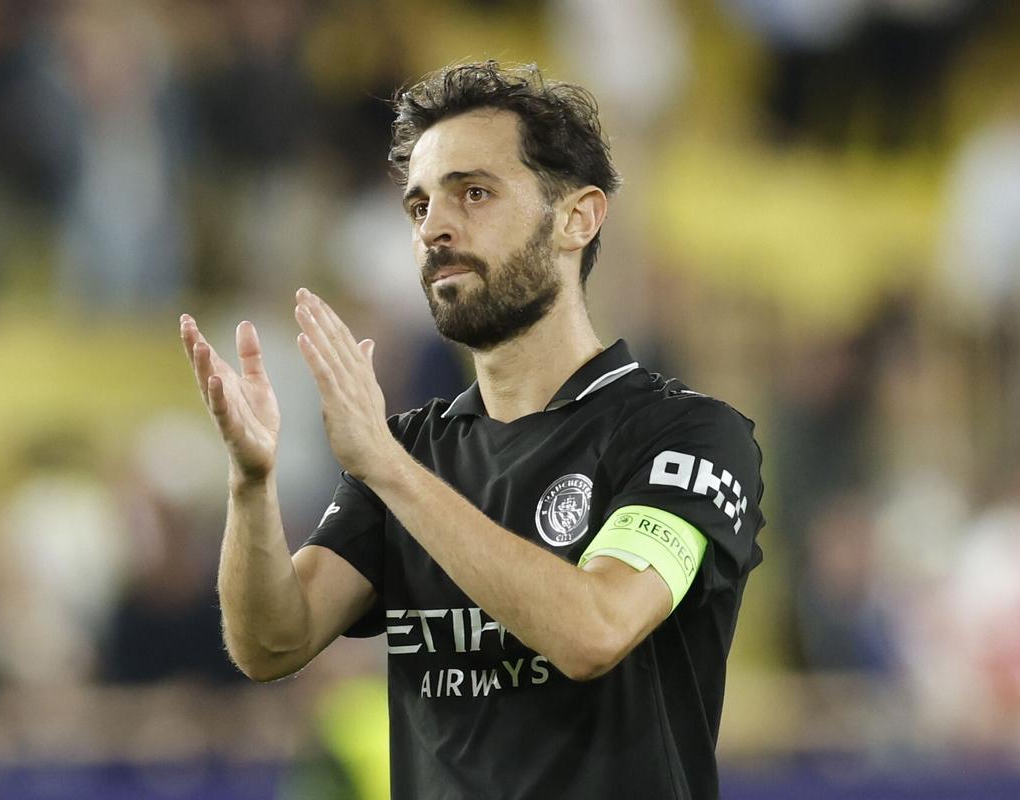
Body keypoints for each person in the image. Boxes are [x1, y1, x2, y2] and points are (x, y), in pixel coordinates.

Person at [180, 61, 765, 800]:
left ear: (576, 218)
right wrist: (252, 483)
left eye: (475, 193)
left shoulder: (686, 435)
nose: (435, 228)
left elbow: (596, 628)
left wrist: (390, 471)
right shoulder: (413, 453)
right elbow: (271, 643)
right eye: (419, 206)